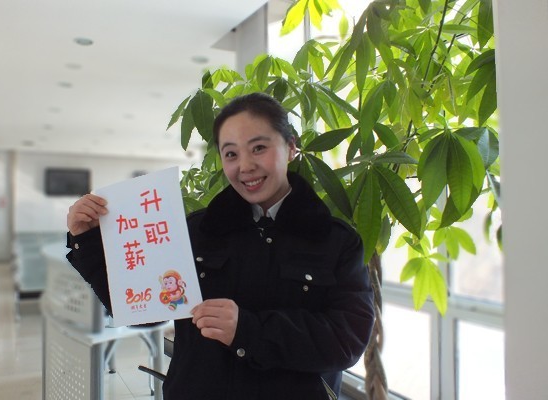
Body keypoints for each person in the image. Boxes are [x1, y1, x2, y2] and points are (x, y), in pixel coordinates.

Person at [65, 92, 375, 400]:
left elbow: (346, 341)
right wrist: (87, 240)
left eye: (259, 148)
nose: (245, 166)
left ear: (291, 147)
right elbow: (143, 310)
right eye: (231, 154)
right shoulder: (197, 231)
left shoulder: (336, 241)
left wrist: (248, 330)